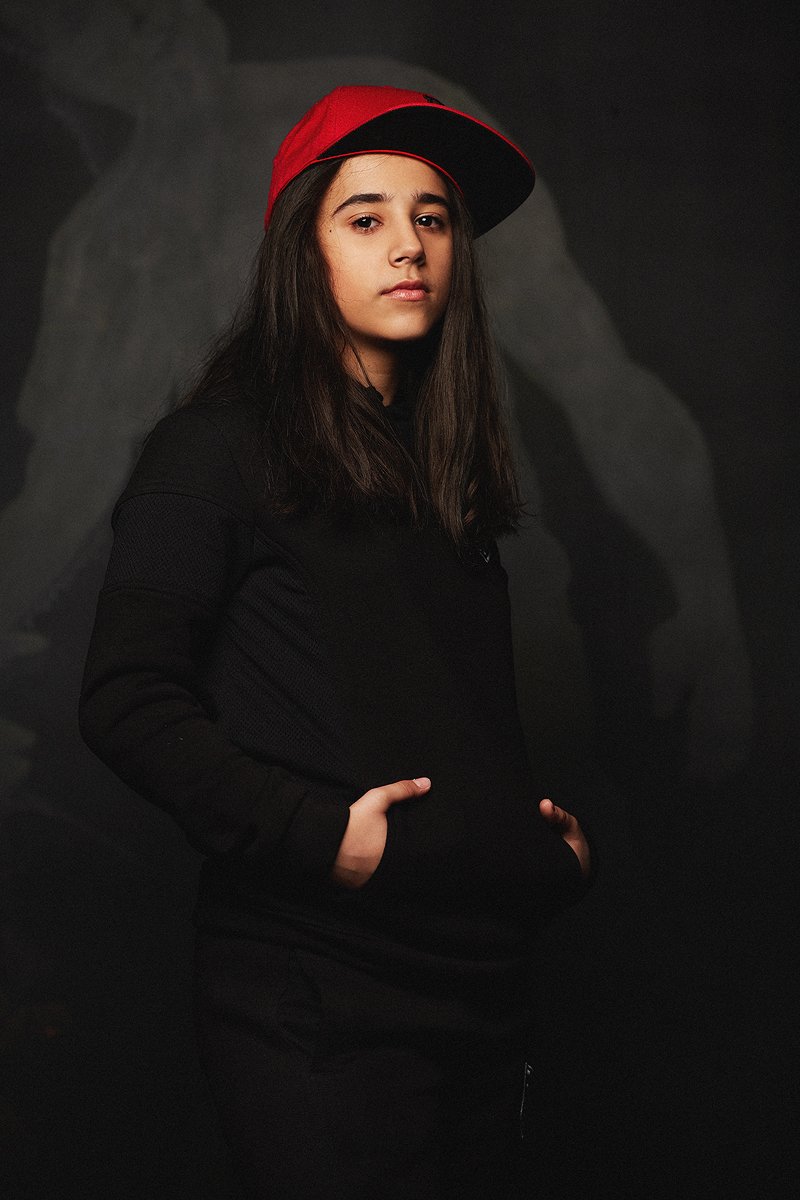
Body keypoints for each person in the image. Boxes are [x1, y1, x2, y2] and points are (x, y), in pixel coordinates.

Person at [79, 85, 593, 1200]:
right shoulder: (215, 450)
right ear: (299, 252)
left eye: (432, 218)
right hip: (319, 996)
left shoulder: (444, 477)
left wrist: (533, 852)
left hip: (482, 990)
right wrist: (318, 837)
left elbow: (434, 708)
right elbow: (126, 699)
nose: (408, 245)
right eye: (365, 218)